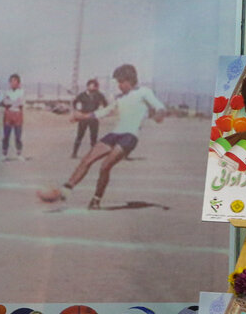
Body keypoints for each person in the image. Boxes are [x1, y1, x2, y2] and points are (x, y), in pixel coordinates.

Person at [52, 63, 164, 209]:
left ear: (130, 80)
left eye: (121, 82)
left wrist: (159, 115)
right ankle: (65, 191)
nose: (119, 85)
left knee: (105, 166)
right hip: (115, 134)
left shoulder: (144, 92)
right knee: (87, 159)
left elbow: (160, 107)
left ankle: (96, 199)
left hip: (130, 136)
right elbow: (105, 112)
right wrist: (83, 116)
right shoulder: (119, 97)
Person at [72, 78, 108, 157]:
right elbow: (74, 102)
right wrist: (77, 111)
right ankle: (74, 153)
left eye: (96, 86)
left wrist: (102, 112)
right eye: (93, 86)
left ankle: (92, 154)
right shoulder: (82, 95)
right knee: (79, 135)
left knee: (93, 137)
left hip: (94, 118)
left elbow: (106, 104)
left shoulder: (99, 95)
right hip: (83, 118)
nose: (94, 88)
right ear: (88, 86)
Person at [1, 73, 26, 160]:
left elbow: (21, 103)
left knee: (18, 135)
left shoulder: (22, 92)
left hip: (18, 114)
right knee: (6, 135)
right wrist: (13, 102)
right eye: (11, 81)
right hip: (8, 114)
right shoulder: (6, 92)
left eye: (15, 81)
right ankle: (4, 154)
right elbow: (5, 102)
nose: (13, 83)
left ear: (18, 83)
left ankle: (19, 154)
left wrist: (11, 102)